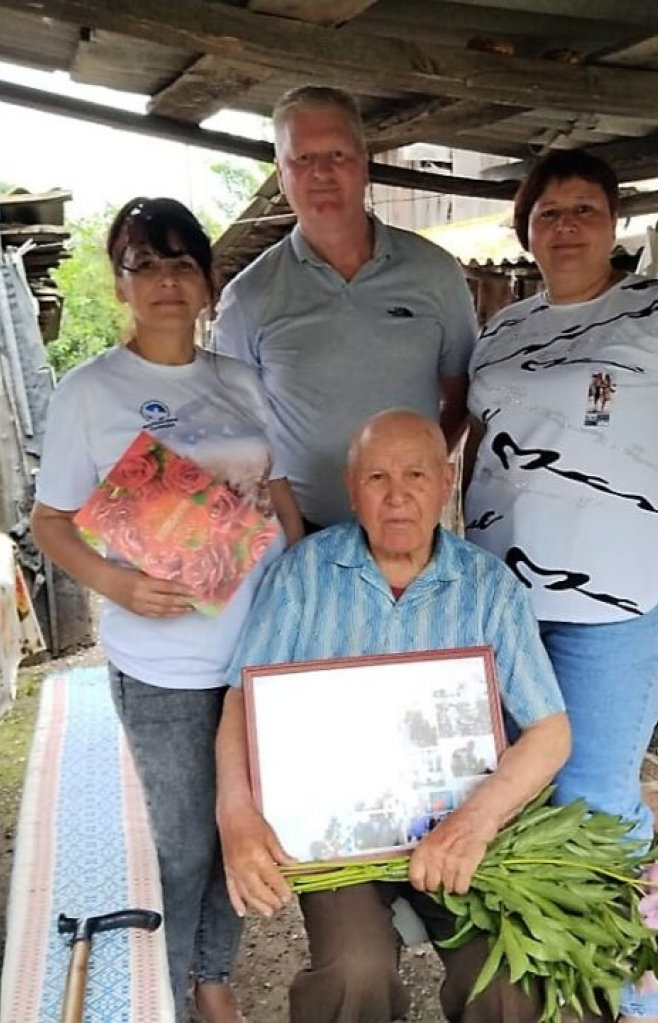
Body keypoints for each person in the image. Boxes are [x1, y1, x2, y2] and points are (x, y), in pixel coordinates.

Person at [463, 150, 658, 1023]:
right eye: (549, 211)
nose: (566, 225)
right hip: (504, 606)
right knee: (526, 794)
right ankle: (571, 990)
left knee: (593, 796)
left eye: (584, 209)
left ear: (615, 222)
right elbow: (476, 450)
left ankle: (647, 1005)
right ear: (525, 228)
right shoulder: (502, 328)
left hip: (619, 603)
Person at [30, 197, 304, 1023]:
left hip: (258, 654)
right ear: (118, 285)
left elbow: (281, 499)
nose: (164, 281)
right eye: (142, 264)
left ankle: (213, 975)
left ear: (209, 280)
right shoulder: (90, 392)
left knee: (241, 833)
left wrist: (307, 598)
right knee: (184, 849)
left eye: (182, 262)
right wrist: (115, 586)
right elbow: (50, 521)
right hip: (165, 668)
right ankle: (169, 991)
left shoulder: (242, 380)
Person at [215, 410, 571, 1023]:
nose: (398, 495)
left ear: (445, 480)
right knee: (356, 968)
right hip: (336, 839)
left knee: (505, 976)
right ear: (352, 490)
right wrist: (236, 813)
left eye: (416, 474)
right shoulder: (304, 576)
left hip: (456, 826)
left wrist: (475, 824)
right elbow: (243, 700)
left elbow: (550, 730)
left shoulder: (488, 587)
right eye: (377, 477)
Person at [212, 85, 477, 530]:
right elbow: (230, 430)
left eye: (337, 155)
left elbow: (463, 392)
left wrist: (417, 473)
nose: (322, 173)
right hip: (300, 538)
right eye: (303, 159)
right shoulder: (250, 296)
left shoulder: (435, 273)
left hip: (411, 534)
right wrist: (287, 528)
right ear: (281, 176)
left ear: (364, 164)